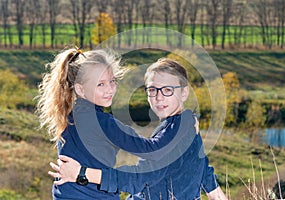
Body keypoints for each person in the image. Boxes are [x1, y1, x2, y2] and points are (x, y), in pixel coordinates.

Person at [48, 58, 228, 199]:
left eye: (167, 90)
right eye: (152, 90)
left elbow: (137, 180)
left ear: (184, 92)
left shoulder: (180, 130)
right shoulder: (183, 128)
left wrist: (81, 173)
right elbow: (203, 173)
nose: (158, 97)